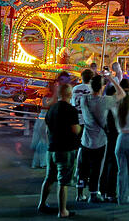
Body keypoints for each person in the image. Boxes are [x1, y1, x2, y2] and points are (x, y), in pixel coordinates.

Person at [38, 83, 80, 218]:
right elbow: (75, 129)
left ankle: (42, 203)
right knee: (63, 181)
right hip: (65, 149)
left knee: (49, 178)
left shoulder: (52, 108)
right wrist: (80, 129)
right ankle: (62, 211)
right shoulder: (71, 110)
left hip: (52, 148)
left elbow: (47, 128)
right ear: (70, 94)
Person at [79, 74, 120, 202]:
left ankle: (79, 194)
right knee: (96, 168)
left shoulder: (84, 99)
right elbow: (122, 94)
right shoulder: (105, 101)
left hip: (86, 139)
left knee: (83, 167)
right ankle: (93, 194)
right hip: (100, 140)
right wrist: (112, 79)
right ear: (102, 86)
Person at [71, 69, 93, 201]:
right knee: (86, 154)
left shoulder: (75, 89)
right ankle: (84, 180)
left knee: (78, 151)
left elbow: (73, 104)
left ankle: (76, 174)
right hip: (87, 123)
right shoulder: (91, 90)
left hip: (76, 122)